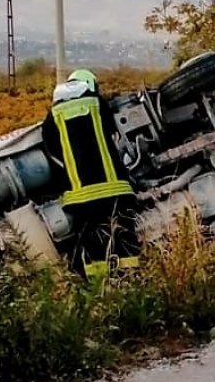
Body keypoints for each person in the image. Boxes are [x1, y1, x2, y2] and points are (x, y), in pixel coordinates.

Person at [40, 69, 141, 278]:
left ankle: (98, 286)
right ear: (90, 86)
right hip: (113, 189)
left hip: (79, 197)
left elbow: (53, 152)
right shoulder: (98, 105)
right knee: (123, 238)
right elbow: (114, 133)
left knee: (92, 244)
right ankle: (130, 282)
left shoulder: (52, 118)